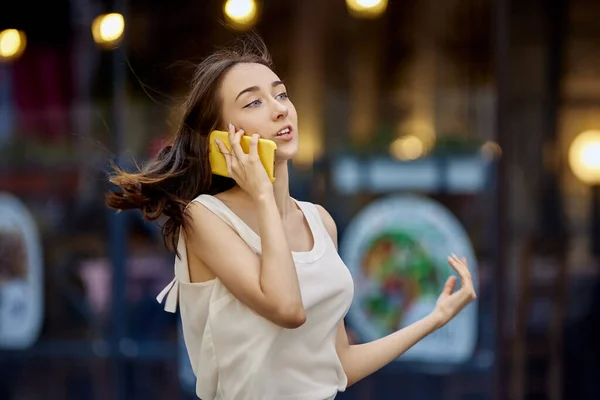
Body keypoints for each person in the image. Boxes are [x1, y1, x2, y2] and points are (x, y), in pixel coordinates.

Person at [105, 35, 476, 400]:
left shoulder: (320, 222)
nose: (280, 109)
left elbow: (338, 367)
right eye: (253, 103)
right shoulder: (204, 218)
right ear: (220, 139)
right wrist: (264, 195)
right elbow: (287, 309)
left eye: (281, 94)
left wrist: (434, 320)